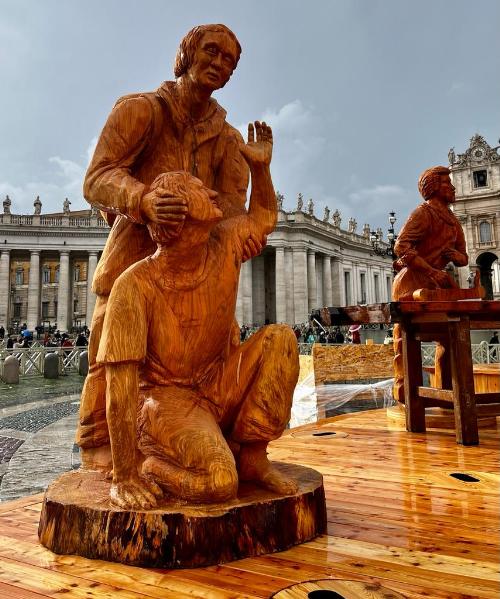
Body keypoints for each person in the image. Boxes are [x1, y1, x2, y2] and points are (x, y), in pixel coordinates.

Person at [77, 24, 265, 465]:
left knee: (212, 354)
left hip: (196, 270)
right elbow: (97, 178)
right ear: (186, 55)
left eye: (229, 61)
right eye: (212, 52)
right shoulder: (141, 112)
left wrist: (243, 233)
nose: (220, 64)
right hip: (132, 256)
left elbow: (235, 208)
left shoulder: (230, 139)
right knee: (111, 354)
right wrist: (141, 199)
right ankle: (102, 441)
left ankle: (210, 435)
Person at [98, 137, 299, 509]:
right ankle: (155, 465)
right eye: (197, 189)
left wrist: (261, 169)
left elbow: (263, 218)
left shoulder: (223, 242)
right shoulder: (133, 286)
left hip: (217, 383)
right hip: (167, 404)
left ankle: (254, 459)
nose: (210, 190)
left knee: (280, 339)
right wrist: (124, 474)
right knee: (219, 482)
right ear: (177, 212)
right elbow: (120, 388)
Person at [392, 166, 468, 401]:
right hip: (412, 284)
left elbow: (464, 258)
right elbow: (400, 246)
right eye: (447, 184)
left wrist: (456, 257)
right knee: (407, 337)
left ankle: (448, 393)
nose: (453, 188)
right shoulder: (423, 214)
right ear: (434, 188)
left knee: (449, 337)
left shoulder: (454, 221)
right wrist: (431, 271)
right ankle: (406, 394)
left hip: (437, 287)